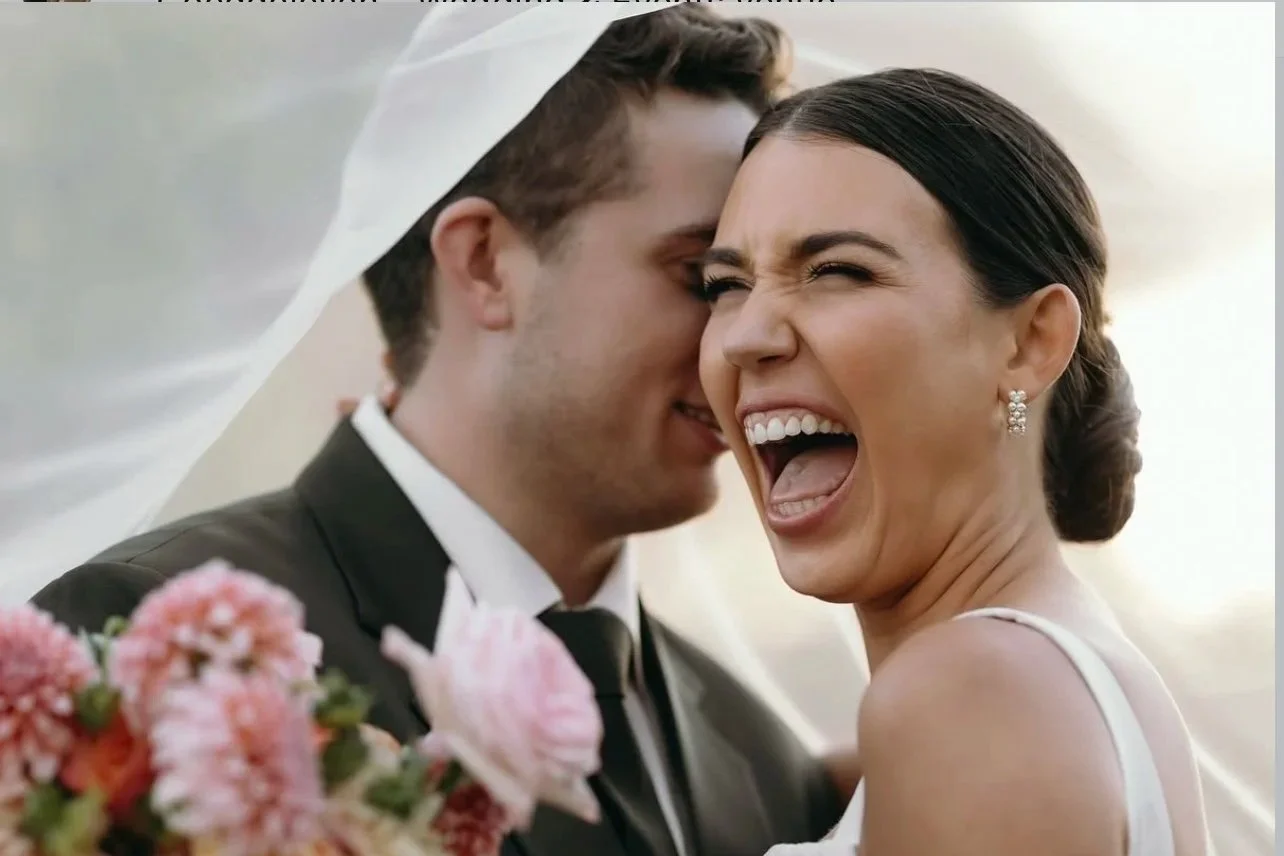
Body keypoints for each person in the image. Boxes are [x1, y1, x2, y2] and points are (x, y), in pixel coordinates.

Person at [31, 8, 844, 856]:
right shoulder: (149, 645)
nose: (746, 341)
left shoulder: (764, 762)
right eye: (706, 278)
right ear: (484, 261)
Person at [698, 69, 1210, 855]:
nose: (746, 335)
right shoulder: (1053, 683)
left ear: (1029, 342)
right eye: (724, 284)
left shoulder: (975, 695)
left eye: (838, 270)